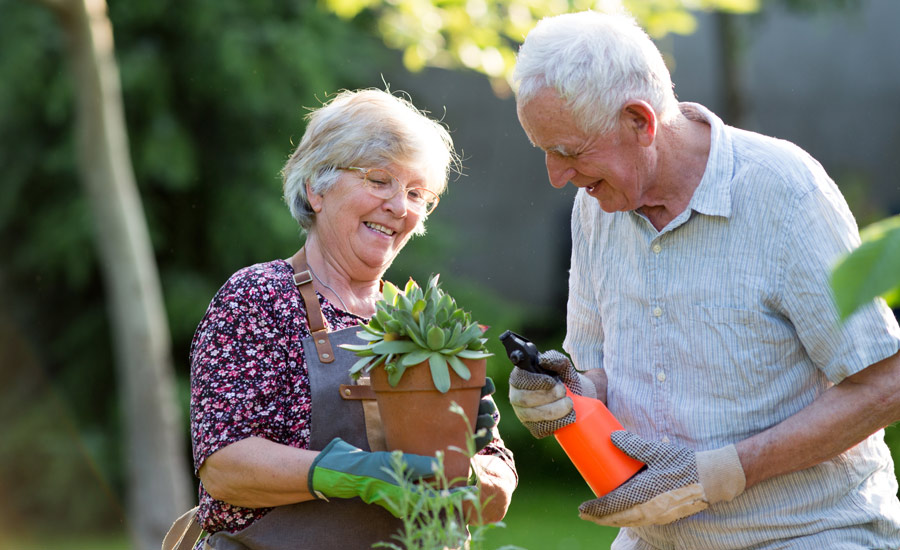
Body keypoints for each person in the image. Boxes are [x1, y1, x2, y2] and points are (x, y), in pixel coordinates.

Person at [506, 10, 900, 550]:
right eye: (545, 152)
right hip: (654, 537)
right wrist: (564, 394)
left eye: (569, 152)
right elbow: (598, 373)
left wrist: (723, 472)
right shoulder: (593, 208)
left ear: (639, 122)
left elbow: (884, 382)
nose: (556, 176)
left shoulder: (783, 191)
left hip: (808, 532)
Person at [188, 89, 517, 550]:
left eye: (417, 193)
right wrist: (357, 473)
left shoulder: (424, 320)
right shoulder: (259, 298)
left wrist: (480, 477)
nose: (400, 207)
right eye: (379, 180)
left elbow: (492, 469)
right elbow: (224, 467)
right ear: (316, 189)